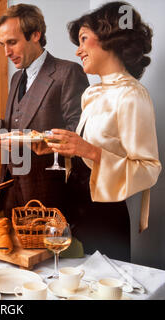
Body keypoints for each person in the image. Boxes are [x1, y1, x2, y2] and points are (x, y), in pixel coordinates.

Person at [44, 1, 162, 261]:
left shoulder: (132, 95)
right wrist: (61, 148)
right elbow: (84, 157)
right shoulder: (91, 93)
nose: (78, 51)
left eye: (84, 39)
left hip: (105, 219)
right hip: (74, 211)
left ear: (111, 38)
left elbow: (149, 168)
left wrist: (90, 151)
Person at [0, 4, 89, 218]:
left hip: (48, 196)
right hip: (10, 191)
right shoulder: (16, 78)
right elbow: (19, 124)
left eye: (12, 42)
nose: (7, 52)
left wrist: (41, 142)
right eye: (3, 45)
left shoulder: (68, 72)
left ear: (35, 34)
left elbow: (79, 133)